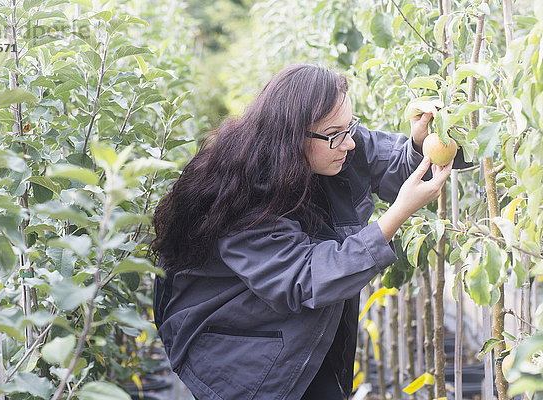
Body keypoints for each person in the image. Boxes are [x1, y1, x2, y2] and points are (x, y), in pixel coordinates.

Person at [151, 64, 469, 400]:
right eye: (335, 133)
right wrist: (398, 213)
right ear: (293, 136)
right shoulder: (243, 197)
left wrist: (420, 142)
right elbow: (306, 278)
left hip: (298, 332)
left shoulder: (334, 143)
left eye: (350, 127)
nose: (348, 143)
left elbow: (388, 159)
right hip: (244, 353)